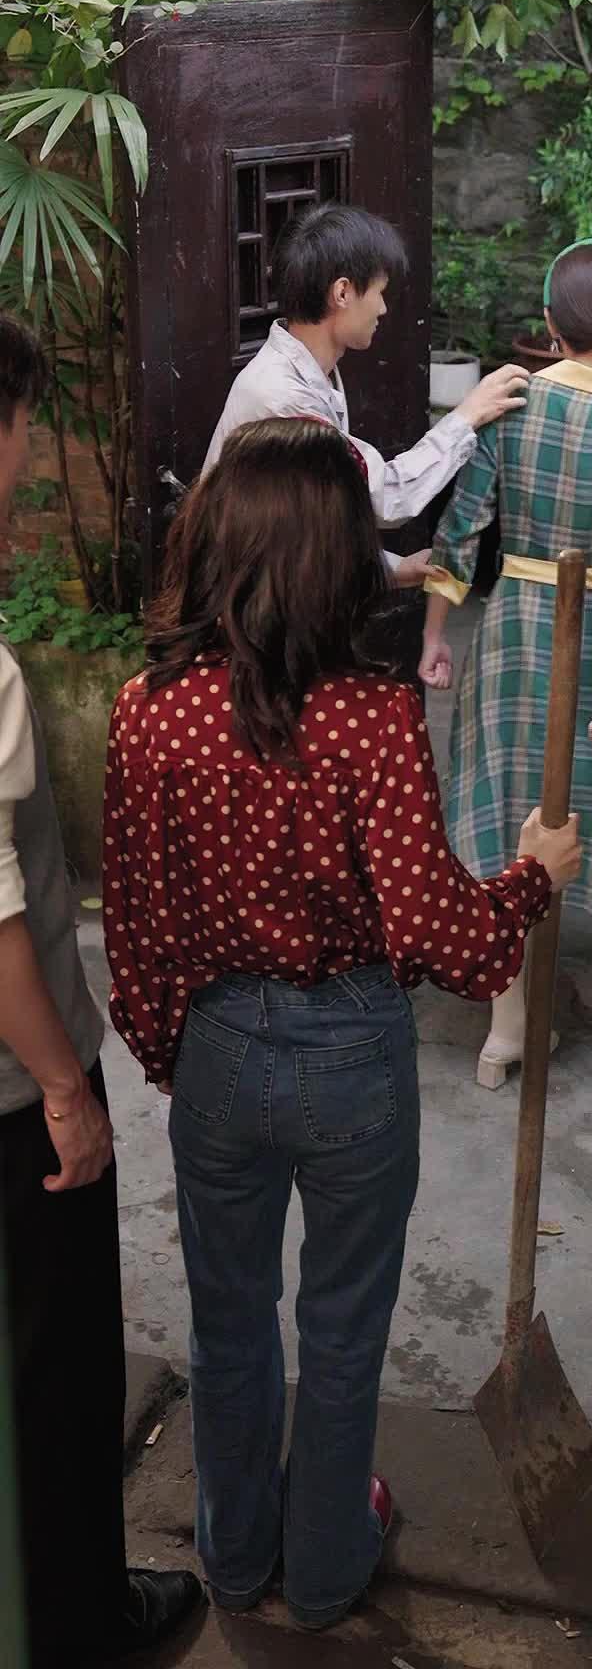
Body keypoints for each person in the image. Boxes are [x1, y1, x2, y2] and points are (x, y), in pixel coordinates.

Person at [102, 417, 580, 1632]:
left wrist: (169, 1051)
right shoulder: (369, 715)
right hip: (355, 1060)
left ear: (216, 542)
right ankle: (322, 1574)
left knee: (227, 1326)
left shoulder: (148, 710)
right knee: (342, 1328)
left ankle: (233, 1560)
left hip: (215, 1050)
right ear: (335, 562)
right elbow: (446, 938)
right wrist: (533, 880)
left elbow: (137, 923)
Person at [0, 316, 202, 1665]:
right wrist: (66, 1091)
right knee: (55, 1374)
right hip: (14, 1099)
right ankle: (76, 1622)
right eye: (21, 426)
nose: (26, 458)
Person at [421, 239, 592, 1088]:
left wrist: (433, 633)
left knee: (503, 812)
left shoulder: (513, 401)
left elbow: (462, 526)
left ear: (549, 324)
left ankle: (507, 1030)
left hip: (514, 629)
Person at [202, 202, 529, 585]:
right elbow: (384, 496)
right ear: (342, 292)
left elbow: (321, 513)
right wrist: (467, 416)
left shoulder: (308, 373)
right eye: (379, 291)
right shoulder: (283, 397)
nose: (383, 308)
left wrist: (394, 569)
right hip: (252, 600)